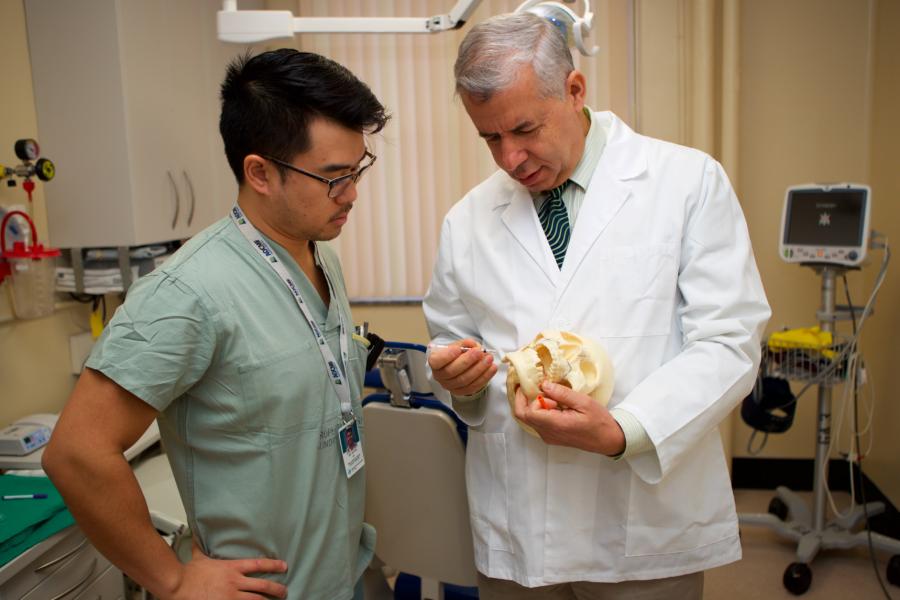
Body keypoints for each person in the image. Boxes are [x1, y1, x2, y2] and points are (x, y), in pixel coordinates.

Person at [424, 13, 770, 600]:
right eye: (490, 138)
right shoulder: (467, 221)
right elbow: (452, 343)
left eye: (525, 128)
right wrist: (459, 381)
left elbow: (729, 339)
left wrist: (624, 430)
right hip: (519, 526)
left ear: (575, 91)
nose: (510, 158)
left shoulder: (686, 182)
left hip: (644, 525)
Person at [42, 49, 389, 600]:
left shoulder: (320, 255)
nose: (351, 193)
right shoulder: (189, 292)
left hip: (335, 577)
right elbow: (76, 453)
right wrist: (173, 580)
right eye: (332, 177)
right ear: (260, 173)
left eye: (357, 170)